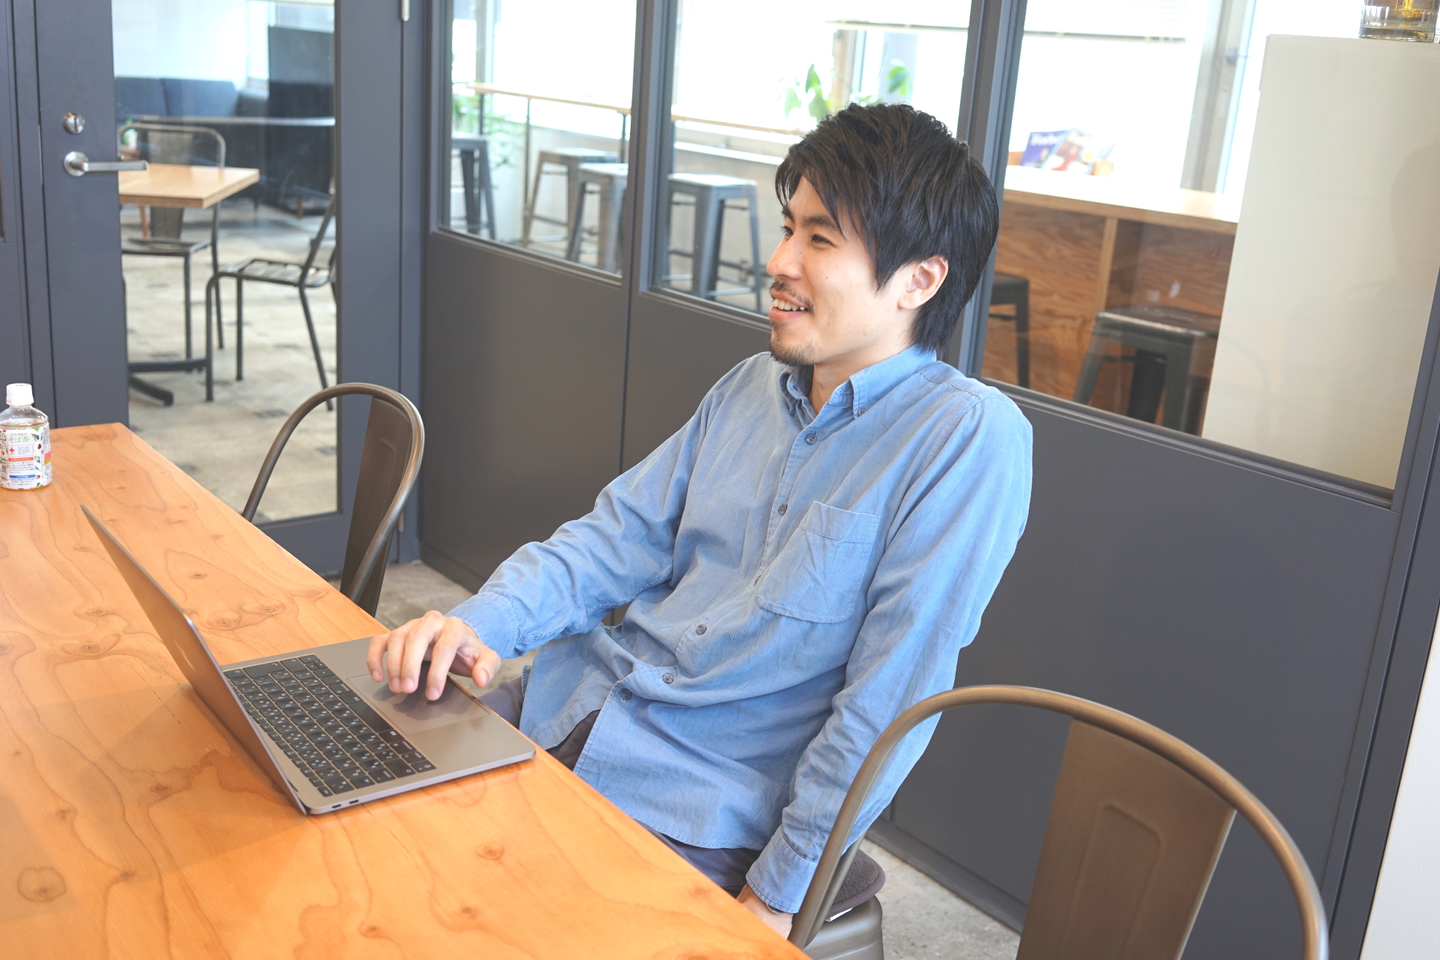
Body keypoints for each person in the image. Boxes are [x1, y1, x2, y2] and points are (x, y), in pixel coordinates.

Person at [368, 102, 1032, 937]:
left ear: (918, 281)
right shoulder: (751, 385)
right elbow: (612, 541)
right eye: (788, 228)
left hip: (696, 803)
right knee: (350, 810)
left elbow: (890, 698)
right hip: (567, 707)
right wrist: (475, 626)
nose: (779, 261)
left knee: (463, 924)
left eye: (820, 239)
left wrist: (779, 895)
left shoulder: (964, 439)